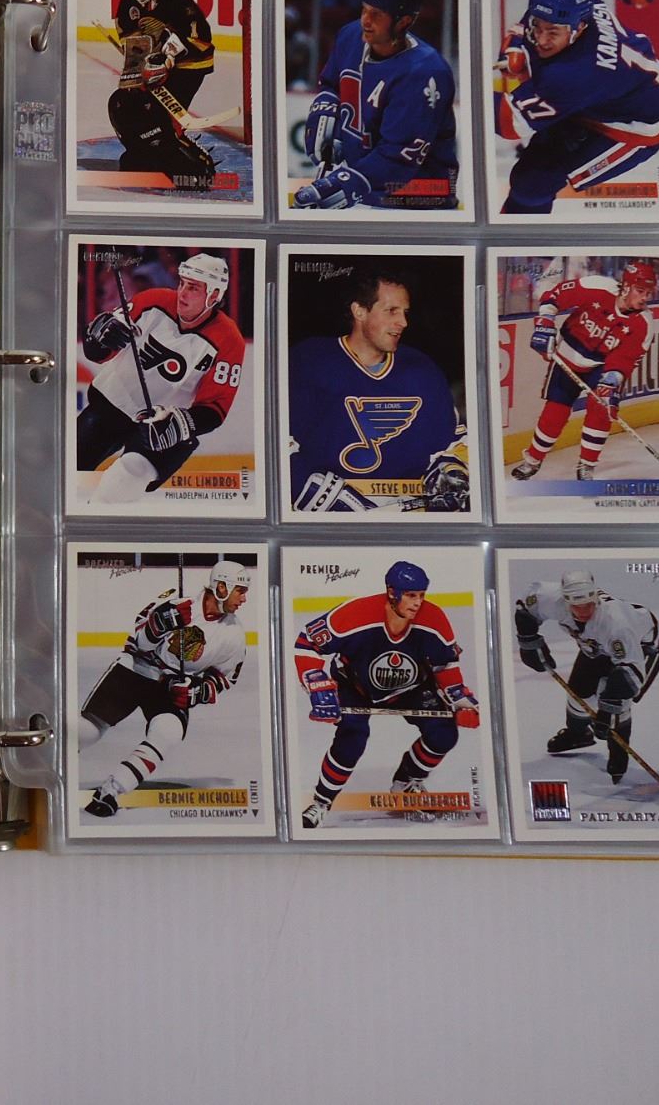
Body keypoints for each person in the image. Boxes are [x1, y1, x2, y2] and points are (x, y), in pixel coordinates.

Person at [292, 561, 480, 828]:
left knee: (443, 734)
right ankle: (321, 802)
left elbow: (445, 663)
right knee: (352, 739)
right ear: (392, 592)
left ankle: (405, 784)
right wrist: (318, 684)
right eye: (411, 595)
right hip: (354, 686)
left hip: (411, 687)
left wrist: (460, 700)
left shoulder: (434, 619)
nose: (418, 602)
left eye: (421, 595)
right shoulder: (355, 614)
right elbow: (307, 643)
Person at [79, 559, 251, 818]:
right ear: (221, 587)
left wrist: (195, 692)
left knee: (169, 732)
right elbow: (139, 641)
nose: (244, 599)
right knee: (88, 730)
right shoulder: (174, 601)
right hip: (136, 669)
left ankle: (110, 792)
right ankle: (52, 759)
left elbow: (223, 678)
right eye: (240, 590)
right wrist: (159, 625)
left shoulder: (234, 634)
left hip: (171, 685)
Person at [286, 270, 468, 512]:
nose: (403, 322)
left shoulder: (422, 369)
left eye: (405, 313)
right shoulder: (309, 361)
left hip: (409, 512)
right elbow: (278, 443)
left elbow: (453, 439)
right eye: (391, 311)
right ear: (359, 311)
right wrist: (326, 498)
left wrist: (451, 468)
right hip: (331, 516)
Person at [494, 0, 659, 214]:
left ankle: (529, 238)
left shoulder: (575, 73)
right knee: (531, 175)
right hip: (605, 97)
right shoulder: (586, 4)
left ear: (579, 28)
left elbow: (507, 124)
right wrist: (516, 44)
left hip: (631, 128)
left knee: (533, 185)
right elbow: (538, 14)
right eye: (537, 28)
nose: (541, 40)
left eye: (553, 32)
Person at [76, 253, 245, 504]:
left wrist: (180, 425)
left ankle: (98, 517)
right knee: (68, 466)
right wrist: (100, 338)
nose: (182, 293)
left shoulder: (229, 340)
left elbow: (216, 407)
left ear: (214, 295)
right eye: (182, 283)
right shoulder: (153, 300)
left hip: (159, 425)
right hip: (111, 405)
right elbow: (99, 351)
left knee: (126, 480)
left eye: (193, 288)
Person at [294, 0, 459, 209]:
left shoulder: (425, 72)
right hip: (367, 188)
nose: (365, 21)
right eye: (364, 9)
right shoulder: (350, 36)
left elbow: (397, 158)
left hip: (417, 199)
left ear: (403, 22)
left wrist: (343, 183)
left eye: (377, 14)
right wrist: (325, 107)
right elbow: (331, 84)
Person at [512, 569, 659, 785]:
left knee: (617, 704)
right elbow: (526, 608)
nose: (583, 611)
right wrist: (528, 640)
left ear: (595, 598)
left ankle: (619, 754)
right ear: (566, 600)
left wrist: (607, 710)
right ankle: (578, 735)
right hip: (597, 646)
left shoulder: (616, 623)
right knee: (578, 696)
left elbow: (630, 671)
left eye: (588, 605)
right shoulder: (551, 598)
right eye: (577, 606)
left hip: (639, 649)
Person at [511, 261, 656, 482]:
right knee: (554, 412)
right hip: (567, 356)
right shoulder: (598, 286)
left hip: (601, 367)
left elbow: (626, 359)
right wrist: (544, 323)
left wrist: (612, 379)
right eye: (640, 290)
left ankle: (587, 464)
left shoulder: (644, 323)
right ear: (626, 287)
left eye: (649, 293)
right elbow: (556, 295)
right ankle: (533, 459)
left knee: (601, 411)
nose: (645, 297)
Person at [105, 0, 218, 181]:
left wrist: (169, 58)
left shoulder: (180, 3)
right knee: (128, 104)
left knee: (163, 116)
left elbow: (202, 41)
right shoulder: (128, 2)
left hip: (191, 63)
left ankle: (190, 160)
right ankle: (143, 153)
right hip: (154, 60)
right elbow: (128, 37)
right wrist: (140, 61)